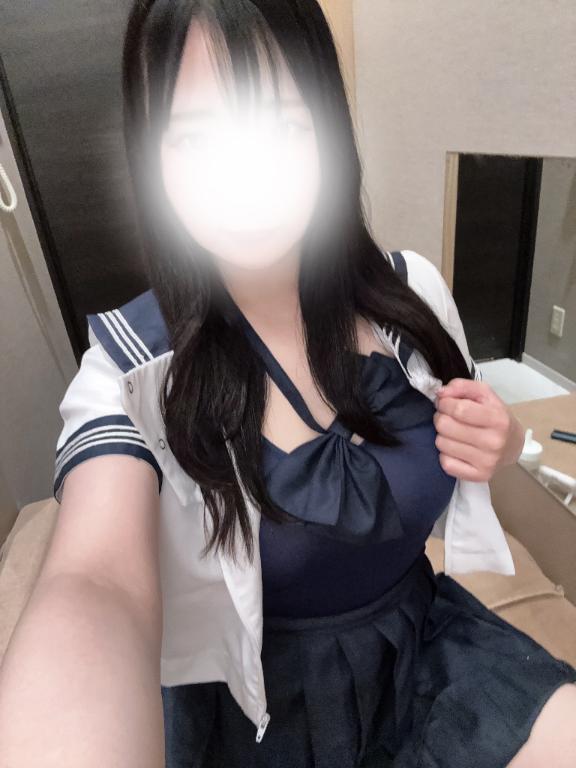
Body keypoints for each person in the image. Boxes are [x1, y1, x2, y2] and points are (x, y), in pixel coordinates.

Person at [1, 1, 575, 766]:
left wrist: (499, 444)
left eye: (278, 123)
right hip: (256, 711)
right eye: (197, 139)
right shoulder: (129, 371)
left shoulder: (413, 296)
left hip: (420, 655)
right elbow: (93, 580)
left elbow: (468, 455)